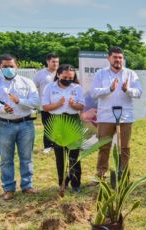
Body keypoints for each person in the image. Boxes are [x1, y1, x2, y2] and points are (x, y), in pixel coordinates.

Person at [90, 47, 142, 179]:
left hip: (125, 117)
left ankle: (123, 173)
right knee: (104, 146)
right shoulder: (100, 74)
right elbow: (94, 93)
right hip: (105, 116)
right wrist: (109, 88)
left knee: (124, 147)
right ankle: (101, 173)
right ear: (108, 58)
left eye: (120, 57)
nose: (118, 60)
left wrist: (128, 90)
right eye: (115, 57)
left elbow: (138, 92)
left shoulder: (130, 74)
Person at [0, 54, 39, 200]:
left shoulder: (27, 82)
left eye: (11, 66)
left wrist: (19, 100)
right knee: (5, 159)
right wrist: (3, 109)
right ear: (0, 67)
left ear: (17, 66)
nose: (9, 69)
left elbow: (35, 102)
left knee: (26, 157)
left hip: (26, 124)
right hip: (4, 124)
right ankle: (8, 188)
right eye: (5, 66)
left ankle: (27, 186)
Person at [42, 64, 85, 193]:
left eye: (70, 77)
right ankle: (62, 183)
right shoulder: (49, 87)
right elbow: (45, 107)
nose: (68, 79)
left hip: (73, 121)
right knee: (59, 155)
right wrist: (58, 104)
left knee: (74, 155)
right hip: (57, 121)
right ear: (59, 75)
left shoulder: (77, 88)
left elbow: (81, 106)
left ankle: (76, 183)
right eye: (65, 76)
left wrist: (73, 104)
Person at [34, 53, 60, 154]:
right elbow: (33, 87)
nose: (56, 64)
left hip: (60, 105)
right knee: (48, 126)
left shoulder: (61, 72)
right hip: (45, 106)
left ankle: (58, 145)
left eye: (57, 62)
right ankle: (48, 146)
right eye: (53, 61)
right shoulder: (40, 74)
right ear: (47, 61)